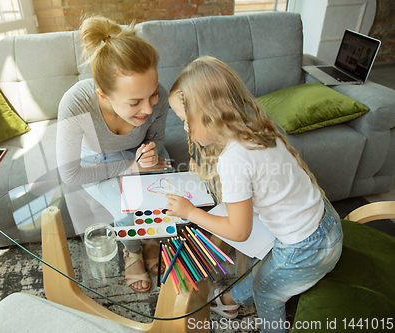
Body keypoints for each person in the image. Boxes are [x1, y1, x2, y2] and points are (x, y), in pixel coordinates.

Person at [166, 56, 343, 332]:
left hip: (305, 251)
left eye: (185, 121)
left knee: (266, 292)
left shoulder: (233, 160)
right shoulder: (257, 129)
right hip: (330, 226)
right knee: (266, 271)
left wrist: (191, 213)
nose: (185, 129)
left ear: (209, 115)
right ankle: (229, 300)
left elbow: (239, 232)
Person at [56, 15, 170, 293]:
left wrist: (149, 156)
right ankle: (132, 251)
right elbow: (71, 173)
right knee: (124, 207)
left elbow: (154, 140)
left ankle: (151, 239)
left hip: (136, 155)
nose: (148, 108)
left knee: (160, 193)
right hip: (97, 159)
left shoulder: (160, 97)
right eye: (134, 102)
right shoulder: (76, 103)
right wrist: (130, 168)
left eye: (152, 95)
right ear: (103, 95)